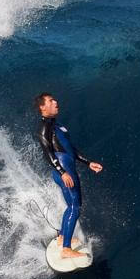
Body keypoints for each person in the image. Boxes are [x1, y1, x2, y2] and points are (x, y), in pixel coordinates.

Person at [35, 92, 103, 260]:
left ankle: (62, 238)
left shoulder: (57, 125)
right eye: (51, 101)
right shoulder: (45, 128)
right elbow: (48, 154)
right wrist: (63, 172)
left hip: (67, 168)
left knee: (72, 205)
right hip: (65, 170)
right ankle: (66, 249)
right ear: (42, 107)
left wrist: (88, 163)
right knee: (75, 207)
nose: (56, 102)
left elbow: (70, 149)